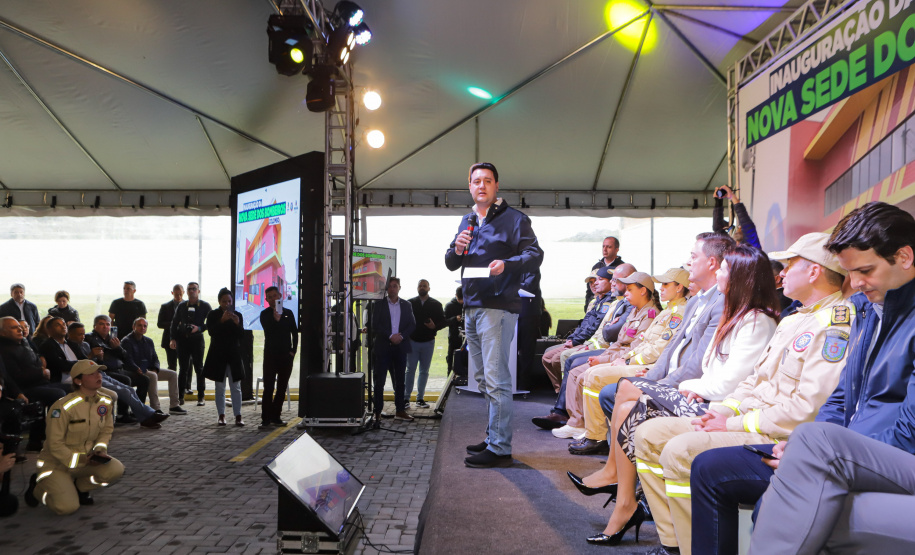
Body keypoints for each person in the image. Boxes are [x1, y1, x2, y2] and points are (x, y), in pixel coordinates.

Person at [690, 202, 915, 555]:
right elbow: (840, 399)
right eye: (849, 272)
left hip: (890, 456)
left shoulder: (854, 316)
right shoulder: (869, 311)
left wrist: (819, 453)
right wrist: (807, 449)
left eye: (865, 271)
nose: (854, 284)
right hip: (849, 449)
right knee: (711, 467)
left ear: (904, 256)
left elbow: (907, 433)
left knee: (807, 469)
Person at [630, 232, 853, 555]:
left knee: (678, 450)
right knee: (650, 434)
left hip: (774, 431)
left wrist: (734, 423)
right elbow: (754, 380)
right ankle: (673, 542)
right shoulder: (796, 319)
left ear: (815, 271)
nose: (782, 273)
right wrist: (726, 410)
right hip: (749, 417)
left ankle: (689, 547)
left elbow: (806, 408)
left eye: (790, 265)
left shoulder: (833, 326)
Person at [574, 245, 780, 547]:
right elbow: (696, 361)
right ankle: (626, 498)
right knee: (630, 400)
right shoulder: (731, 313)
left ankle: (626, 499)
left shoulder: (754, 320)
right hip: (706, 396)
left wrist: (688, 388)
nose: (719, 271)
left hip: (717, 404)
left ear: (741, 277)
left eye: (725, 268)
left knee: (633, 398)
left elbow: (728, 379)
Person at [445, 161, 544, 468]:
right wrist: (457, 250)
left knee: (497, 378)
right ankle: (492, 436)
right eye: (476, 181)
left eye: (488, 180)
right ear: (470, 187)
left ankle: (500, 448)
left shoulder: (515, 220)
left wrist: (507, 264)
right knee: (482, 377)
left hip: (499, 308)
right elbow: (450, 262)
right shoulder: (467, 220)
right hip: (471, 307)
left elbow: (534, 254)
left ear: (496, 186)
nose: (482, 185)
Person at [571, 267, 691, 454]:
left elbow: (659, 349)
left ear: (679, 287)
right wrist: (624, 358)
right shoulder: (667, 311)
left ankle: (596, 437)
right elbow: (643, 342)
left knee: (595, 376)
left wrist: (628, 362)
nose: (662, 288)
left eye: (666, 284)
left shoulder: (678, 313)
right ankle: (594, 433)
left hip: (651, 366)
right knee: (591, 373)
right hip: (638, 360)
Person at [553, 271, 662, 446]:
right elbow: (618, 342)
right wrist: (603, 357)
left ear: (643, 291)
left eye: (630, 289)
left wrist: (605, 360)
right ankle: (580, 424)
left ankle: (591, 430)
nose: (625, 293)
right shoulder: (635, 312)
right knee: (577, 373)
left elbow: (634, 349)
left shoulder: (650, 315)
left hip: (627, 360)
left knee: (584, 375)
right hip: (617, 355)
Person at [24, 360, 125, 515]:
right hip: (57, 464)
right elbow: (54, 444)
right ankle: (39, 490)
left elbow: (106, 430)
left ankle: (79, 488)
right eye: (91, 374)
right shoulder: (63, 406)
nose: (98, 376)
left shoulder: (105, 401)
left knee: (116, 470)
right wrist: (81, 460)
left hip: (86, 460)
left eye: (98, 372)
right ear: (78, 381)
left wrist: (99, 449)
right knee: (66, 507)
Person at [69, 323, 167, 429]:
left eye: (83, 333)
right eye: (79, 334)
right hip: (89, 376)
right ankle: (150, 414)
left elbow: (101, 361)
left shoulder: (86, 344)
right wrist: (92, 356)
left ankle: (143, 418)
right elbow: (81, 366)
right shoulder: (75, 344)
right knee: (124, 389)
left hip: (100, 372)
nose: (83, 336)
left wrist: (101, 357)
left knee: (130, 389)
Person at [371, 277, 416, 422]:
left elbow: (412, 324)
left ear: (399, 288)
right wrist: (390, 336)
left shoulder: (407, 305)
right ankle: (377, 411)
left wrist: (401, 337)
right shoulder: (379, 305)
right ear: (386, 288)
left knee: (400, 381)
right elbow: (375, 325)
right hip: (383, 347)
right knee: (380, 381)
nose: (392, 289)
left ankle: (400, 410)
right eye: (390, 286)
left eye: (395, 286)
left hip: (400, 347)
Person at [0, 316, 69, 408]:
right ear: (2, 333)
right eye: (14, 328)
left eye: (19, 326)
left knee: (74, 388)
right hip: (26, 388)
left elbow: (37, 362)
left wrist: (41, 369)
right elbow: (16, 377)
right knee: (59, 394)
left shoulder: (24, 342)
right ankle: (54, 421)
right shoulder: (4, 350)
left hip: (42, 383)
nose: (20, 329)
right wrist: (41, 372)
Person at [121, 318, 184, 415]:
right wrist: (137, 368)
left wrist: (155, 368)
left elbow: (155, 358)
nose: (142, 328)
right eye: (139, 325)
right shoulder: (126, 341)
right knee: (153, 376)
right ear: (134, 327)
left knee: (173, 374)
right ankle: (155, 408)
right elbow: (127, 360)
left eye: (145, 326)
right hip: (135, 370)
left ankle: (174, 405)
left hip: (149, 368)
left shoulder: (149, 341)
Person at [203, 288, 245, 427]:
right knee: (219, 387)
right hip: (218, 355)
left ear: (232, 301)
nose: (227, 304)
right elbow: (211, 332)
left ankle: (238, 416)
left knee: (236, 387)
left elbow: (241, 335)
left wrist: (237, 323)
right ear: (219, 302)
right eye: (224, 301)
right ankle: (221, 415)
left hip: (233, 355)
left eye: (229, 301)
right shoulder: (213, 314)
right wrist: (221, 320)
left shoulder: (237, 314)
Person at [85, 315, 149, 406]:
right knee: (126, 380)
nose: (105, 327)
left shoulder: (112, 338)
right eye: (101, 324)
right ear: (95, 326)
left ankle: (138, 409)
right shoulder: (90, 338)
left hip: (119, 369)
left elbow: (125, 357)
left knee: (144, 379)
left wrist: (118, 348)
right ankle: (123, 414)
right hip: (105, 371)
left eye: (107, 324)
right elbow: (93, 359)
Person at [259, 286, 297, 429]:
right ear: (267, 300)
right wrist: (276, 319)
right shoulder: (264, 314)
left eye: (275, 296)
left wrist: (293, 351)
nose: (273, 299)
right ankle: (265, 419)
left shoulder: (289, 313)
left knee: (281, 388)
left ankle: (276, 416)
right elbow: (268, 330)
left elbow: (294, 333)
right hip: (270, 356)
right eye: (270, 297)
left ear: (280, 296)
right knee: (268, 387)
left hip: (286, 356)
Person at [405, 279, 447, 408]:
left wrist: (434, 326)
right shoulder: (409, 303)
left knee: (424, 371)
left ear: (429, 288)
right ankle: (406, 399)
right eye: (420, 285)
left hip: (428, 342)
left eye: (424, 286)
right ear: (417, 288)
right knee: (410, 370)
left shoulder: (436, 304)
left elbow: (443, 322)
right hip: (412, 342)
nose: (422, 287)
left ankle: (420, 399)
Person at [170, 282, 211, 406]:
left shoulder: (204, 306)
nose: (192, 291)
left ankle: (201, 397)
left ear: (198, 291)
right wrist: (173, 339)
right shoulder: (182, 306)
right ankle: (180, 397)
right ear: (186, 292)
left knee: (199, 368)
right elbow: (174, 322)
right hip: (183, 340)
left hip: (197, 340)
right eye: (189, 289)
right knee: (183, 369)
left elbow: (210, 323)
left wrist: (198, 328)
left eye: (194, 289)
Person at [585, 237, 624, 311]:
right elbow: (589, 291)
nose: (605, 249)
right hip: (595, 307)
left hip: (613, 307)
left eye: (609, 247)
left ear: (617, 249)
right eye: (603, 246)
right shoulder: (596, 266)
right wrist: (587, 306)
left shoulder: (622, 267)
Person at [157, 284, 184, 372]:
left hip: (185, 340)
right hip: (169, 339)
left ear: (183, 293)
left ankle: (186, 386)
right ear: (172, 293)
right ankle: (173, 385)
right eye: (176, 294)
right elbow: (160, 324)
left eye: (180, 294)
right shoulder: (165, 306)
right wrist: (175, 323)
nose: (179, 296)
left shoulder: (188, 305)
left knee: (185, 365)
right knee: (172, 365)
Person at [443, 287, 464, 374]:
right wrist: (455, 319)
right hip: (454, 339)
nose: (462, 302)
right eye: (460, 300)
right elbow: (444, 322)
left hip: (468, 339)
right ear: (456, 296)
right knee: (452, 363)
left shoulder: (470, 306)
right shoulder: (449, 306)